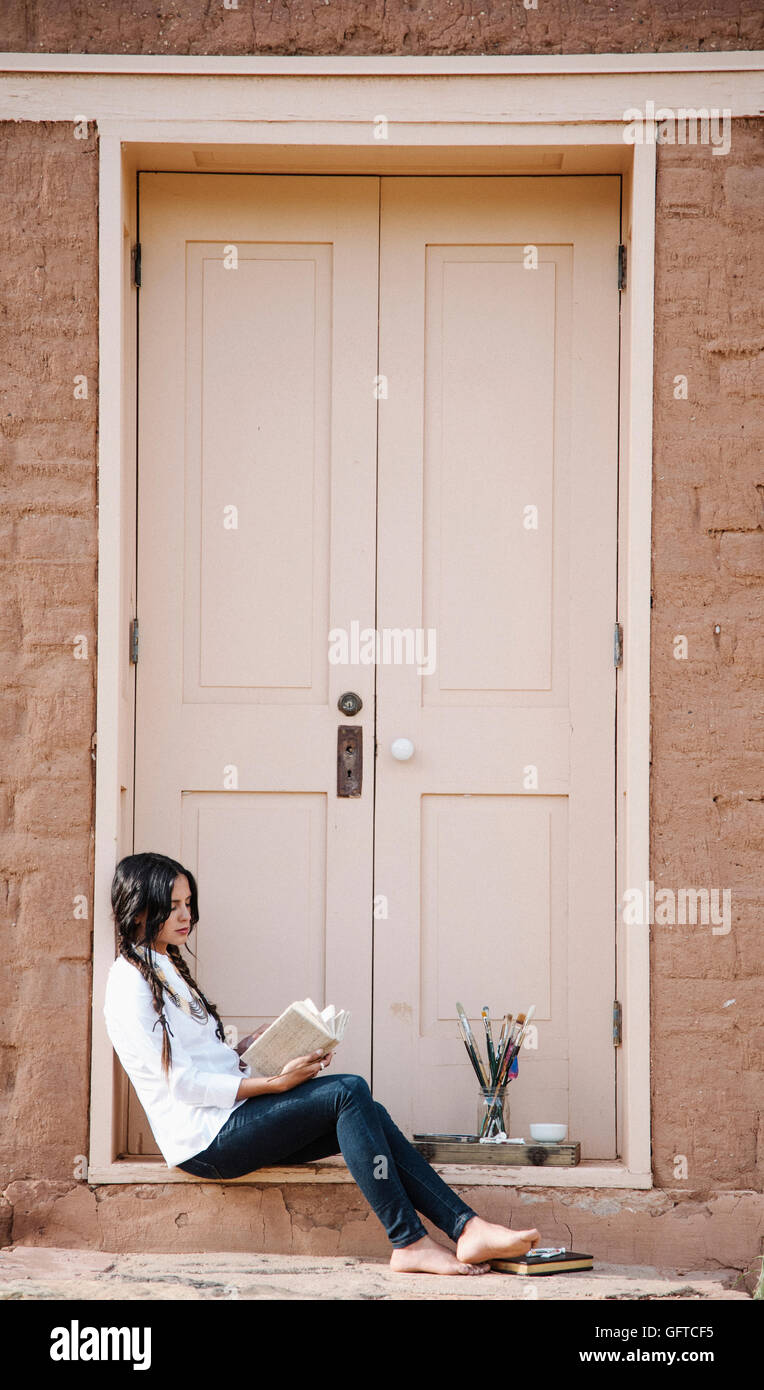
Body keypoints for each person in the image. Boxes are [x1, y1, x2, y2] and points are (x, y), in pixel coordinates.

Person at [104, 851, 540, 1276]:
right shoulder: (129, 984)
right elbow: (181, 1084)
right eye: (173, 905)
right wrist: (275, 1084)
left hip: (230, 1119)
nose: (186, 915)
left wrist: (258, 1045)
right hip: (204, 1142)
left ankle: (467, 1228)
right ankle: (409, 1242)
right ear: (140, 909)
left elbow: (204, 1062)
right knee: (347, 1092)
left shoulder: (164, 966)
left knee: (366, 1110)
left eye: (188, 904)